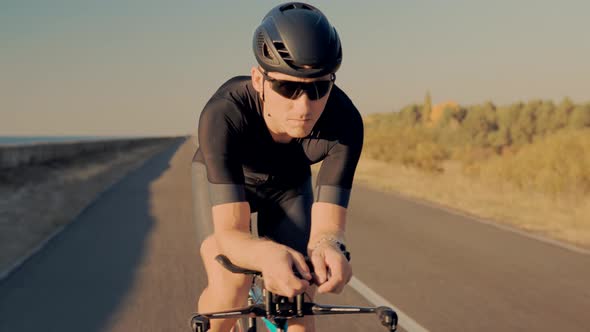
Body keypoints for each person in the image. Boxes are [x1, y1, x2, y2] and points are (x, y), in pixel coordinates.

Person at [192, 2, 363, 331]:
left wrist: (329, 247)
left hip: (288, 187)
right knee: (232, 286)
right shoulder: (223, 113)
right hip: (231, 183)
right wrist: (265, 254)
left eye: (319, 87)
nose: (304, 106)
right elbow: (230, 234)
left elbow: (328, 229)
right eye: (287, 87)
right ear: (259, 79)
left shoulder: (346, 122)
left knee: (298, 299)